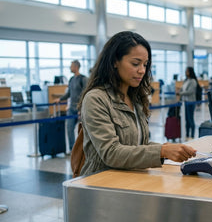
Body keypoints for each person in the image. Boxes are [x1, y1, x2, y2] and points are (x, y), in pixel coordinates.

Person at [77, 31, 196, 176]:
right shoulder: (96, 99)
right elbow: (111, 153)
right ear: (115, 61)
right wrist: (162, 151)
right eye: (135, 63)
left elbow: (138, 145)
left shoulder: (135, 98)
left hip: (132, 178)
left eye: (145, 65)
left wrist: (167, 148)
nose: (142, 70)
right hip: (102, 183)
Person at [54, 60, 87, 151]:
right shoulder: (71, 79)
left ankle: (83, 150)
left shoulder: (83, 79)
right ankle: (73, 149)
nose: (70, 68)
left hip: (80, 109)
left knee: (83, 131)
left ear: (76, 67)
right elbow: (69, 93)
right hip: (71, 108)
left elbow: (86, 94)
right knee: (69, 128)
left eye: (71, 66)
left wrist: (82, 108)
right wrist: (60, 99)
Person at [176, 67, 198, 139]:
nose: (186, 72)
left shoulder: (193, 81)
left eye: (187, 71)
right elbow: (183, 89)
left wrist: (180, 93)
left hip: (190, 102)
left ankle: (192, 135)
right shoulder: (186, 80)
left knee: (190, 119)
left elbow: (190, 91)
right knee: (186, 119)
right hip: (184, 102)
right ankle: (187, 134)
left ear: (190, 72)